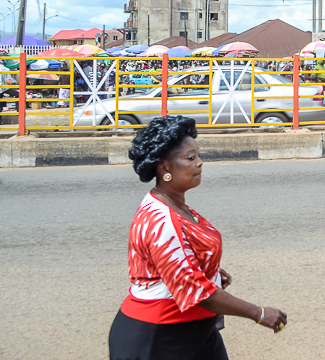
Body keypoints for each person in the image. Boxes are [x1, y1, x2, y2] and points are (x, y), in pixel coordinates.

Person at [109, 116, 287, 359]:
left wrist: (209, 269)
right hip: (158, 339)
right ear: (164, 169)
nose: (200, 163)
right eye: (191, 158)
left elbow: (184, 258)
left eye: (198, 156)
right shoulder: (162, 220)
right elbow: (195, 291)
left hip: (196, 333)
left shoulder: (175, 206)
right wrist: (260, 313)